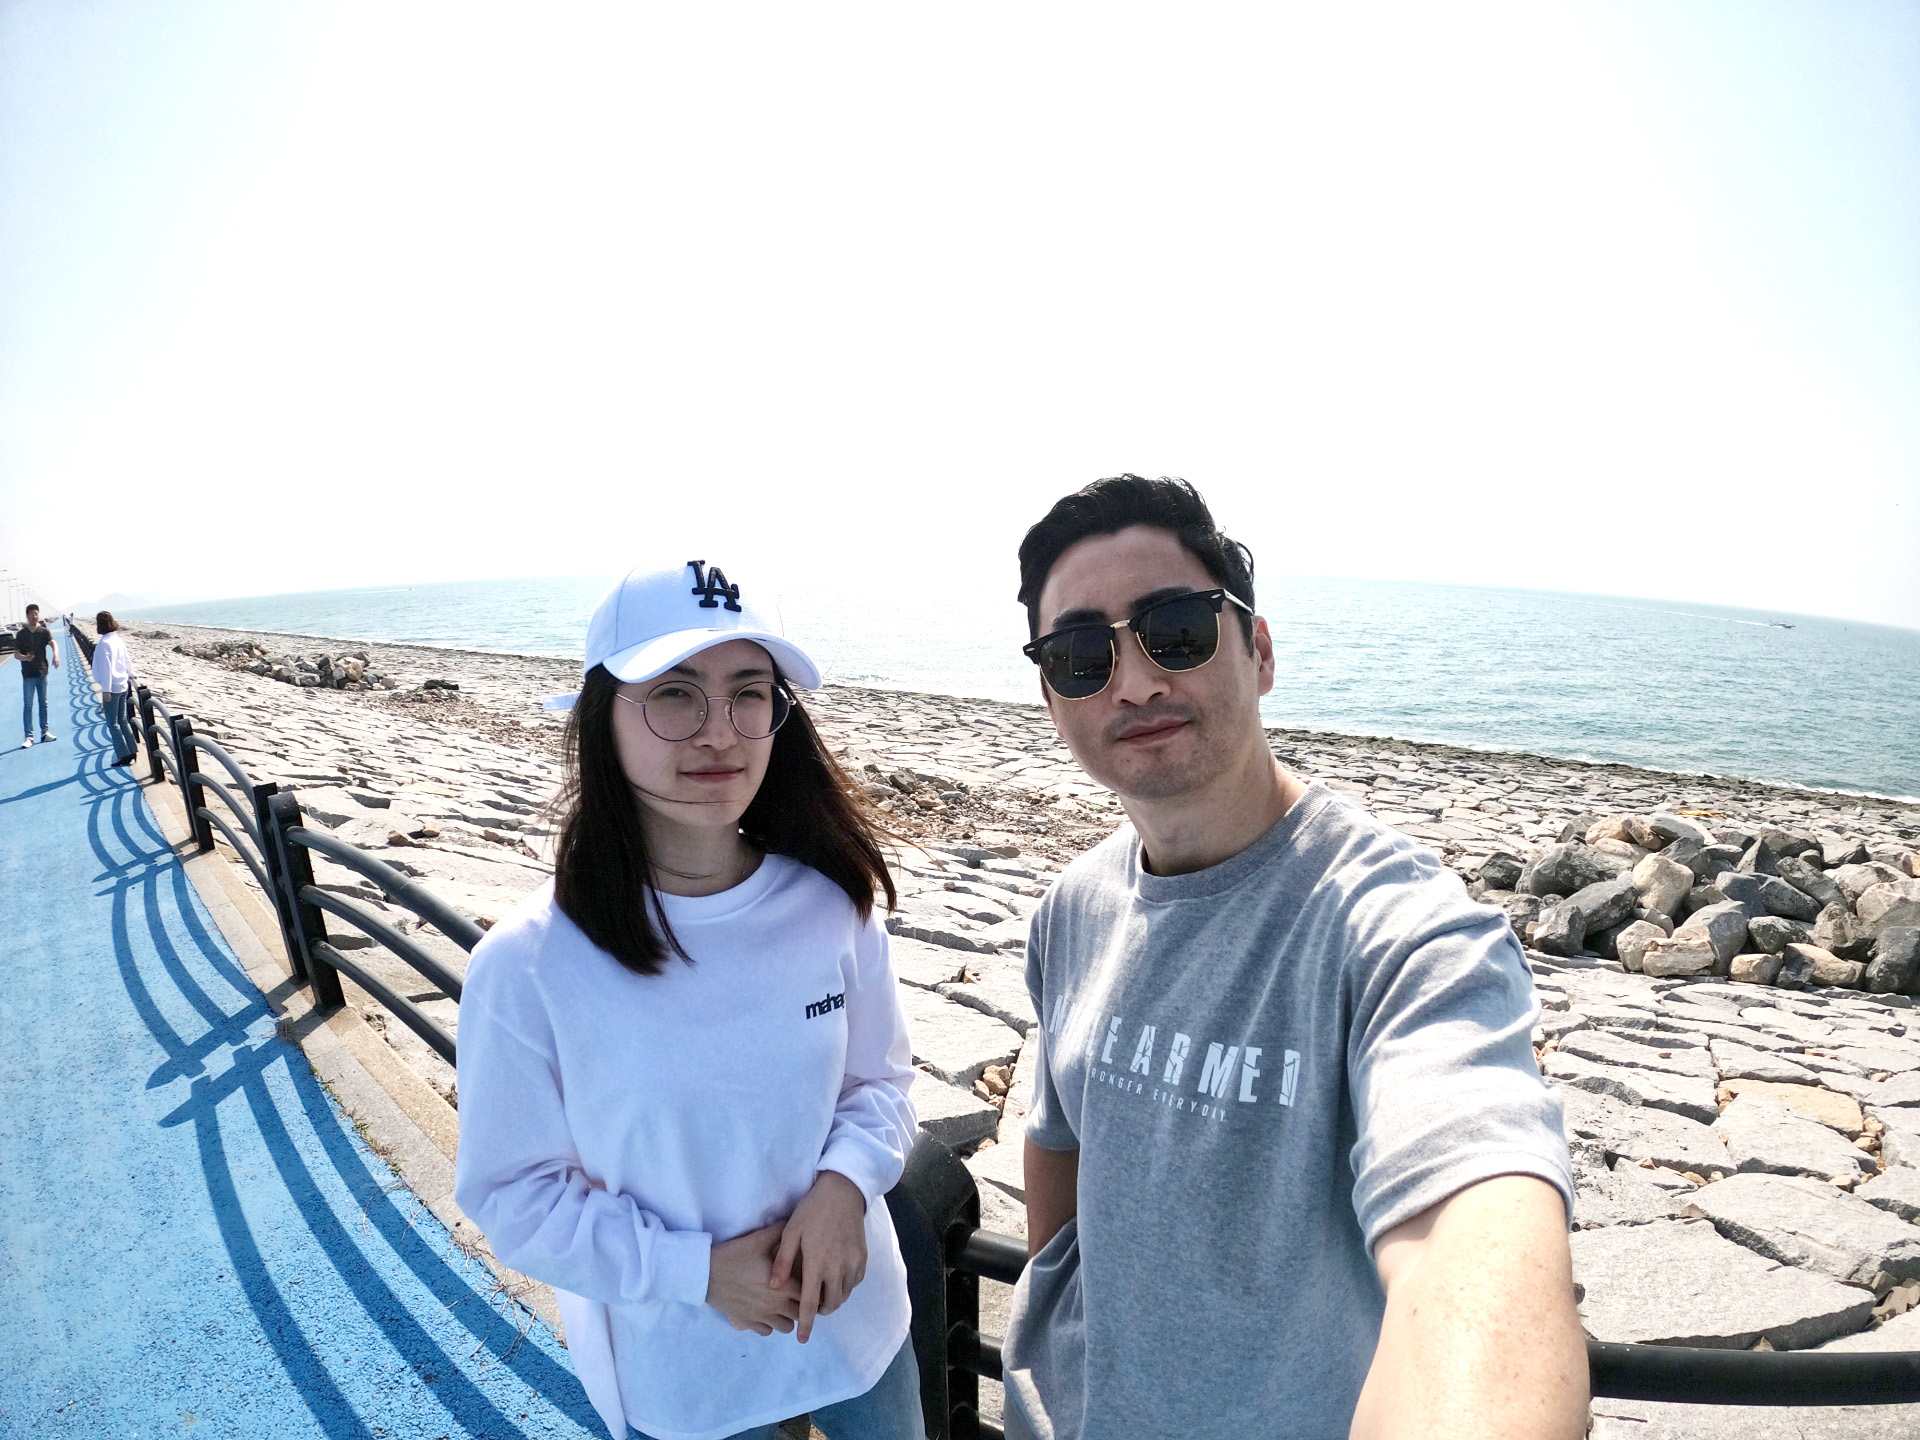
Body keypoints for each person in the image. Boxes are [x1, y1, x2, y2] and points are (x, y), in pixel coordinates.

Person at [1001, 476, 1583, 1440]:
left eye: (1176, 630)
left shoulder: (1400, 931)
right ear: (1052, 699)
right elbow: (1057, 1138)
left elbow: (1466, 1220)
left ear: (1259, 651)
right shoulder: (1071, 910)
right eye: (1080, 655)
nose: (1134, 682)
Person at [454, 558, 927, 1440]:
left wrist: (845, 1188)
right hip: (687, 1375)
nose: (720, 733)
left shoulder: (831, 904)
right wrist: (697, 1272)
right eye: (675, 695)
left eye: (750, 694)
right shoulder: (528, 964)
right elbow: (513, 1196)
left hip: (856, 1323)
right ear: (602, 718)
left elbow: (883, 1085)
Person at [91, 611, 141, 767]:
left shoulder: (104, 643)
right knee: (123, 720)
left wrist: (106, 689)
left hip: (112, 687)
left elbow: (106, 668)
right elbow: (126, 658)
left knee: (112, 723)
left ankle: (124, 754)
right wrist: (131, 673)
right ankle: (132, 750)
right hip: (122, 684)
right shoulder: (117, 639)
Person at [10, 603, 60, 747]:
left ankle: (45, 733)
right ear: (27, 616)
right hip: (28, 675)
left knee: (43, 703)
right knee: (28, 705)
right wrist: (25, 658)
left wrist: (56, 655)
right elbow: (16, 654)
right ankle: (29, 737)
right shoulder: (21, 634)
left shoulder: (43, 631)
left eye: (36, 613)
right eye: (32, 614)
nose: (35, 616)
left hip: (42, 672)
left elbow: (53, 643)